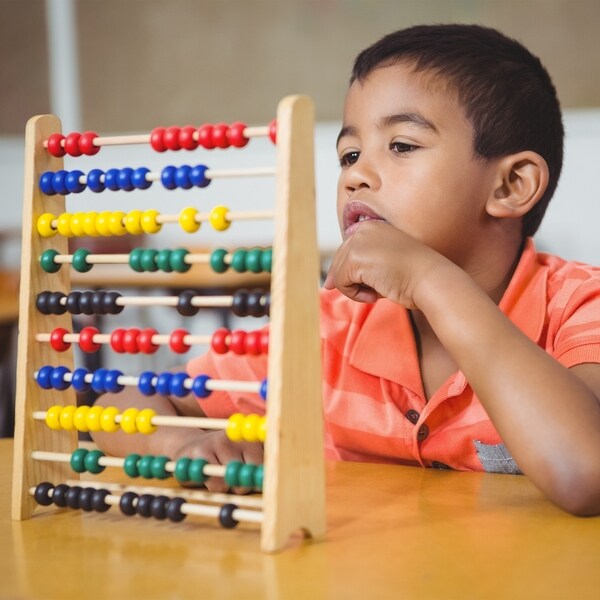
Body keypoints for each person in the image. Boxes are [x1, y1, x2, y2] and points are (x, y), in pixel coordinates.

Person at [93, 24, 600, 515]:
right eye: (349, 154)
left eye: (401, 146)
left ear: (511, 186)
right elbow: (120, 404)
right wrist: (183, 444)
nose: (355, 174)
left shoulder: (578, 307)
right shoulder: (326, 331)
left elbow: (584, 473)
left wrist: (432, 281)